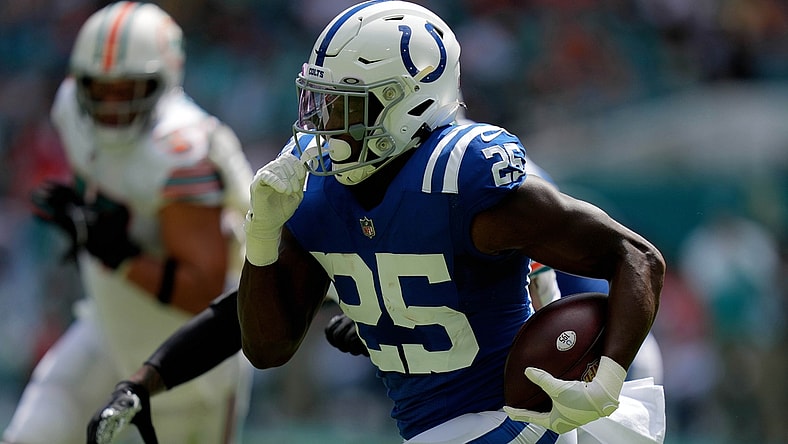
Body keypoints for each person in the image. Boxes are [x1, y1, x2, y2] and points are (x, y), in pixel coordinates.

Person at [237, 1, 665, 443]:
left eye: (345, 108)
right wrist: (262, 235)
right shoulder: (314, 190)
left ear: (407, 104)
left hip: (515, 416)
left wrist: (609, 377)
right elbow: (267, 348)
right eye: (321, 103)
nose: (324, 126)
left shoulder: (460, 178)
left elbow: (635, 257)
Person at [2, 2, 254, 444]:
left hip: (186, 369)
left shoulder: (181, 151)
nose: (113, 104)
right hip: (105, 325)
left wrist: (119, 256)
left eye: (128, 89)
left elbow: (203, 292)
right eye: (102, 90)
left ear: (165, 81)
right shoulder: (71, 112)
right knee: (31, 435)